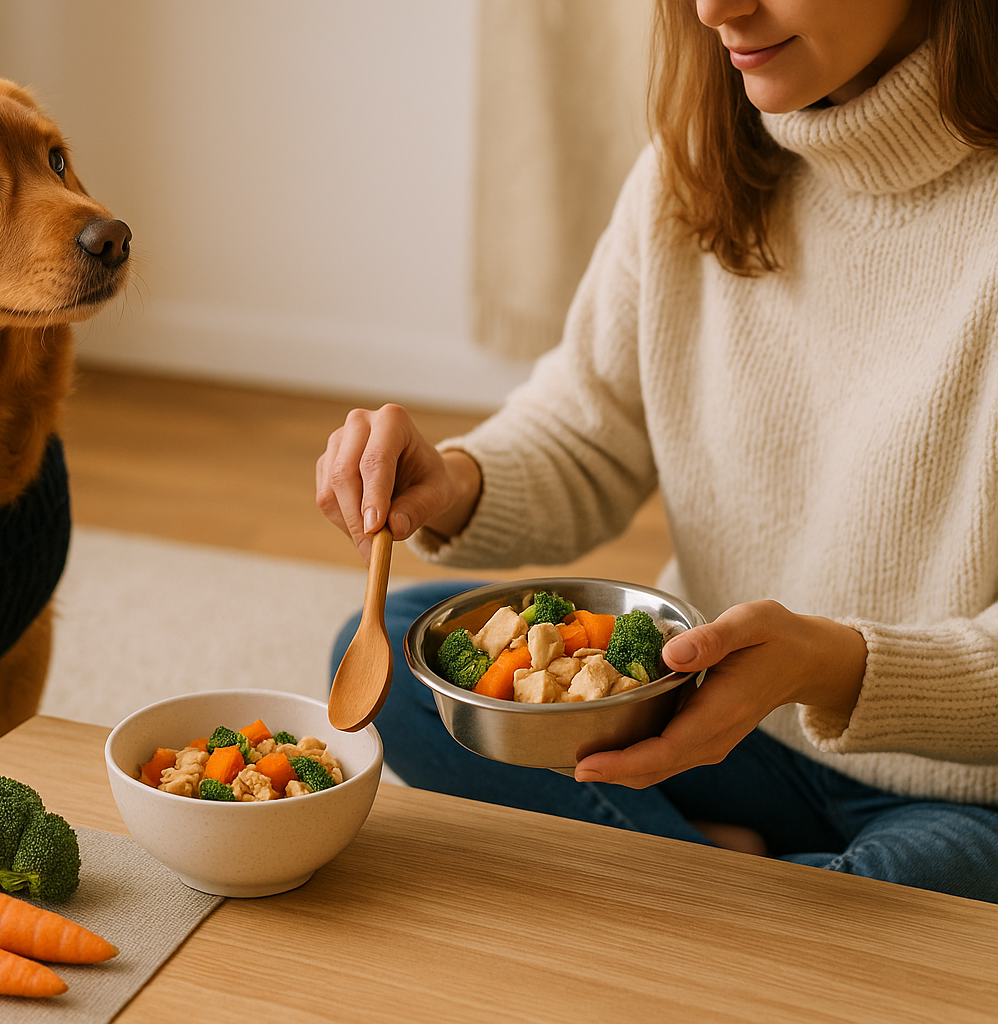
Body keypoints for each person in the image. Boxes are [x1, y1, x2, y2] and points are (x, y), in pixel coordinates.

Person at [316, 0, 998, 902]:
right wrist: (452, 483)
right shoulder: (694, 166)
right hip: (708, 718)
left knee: (911, 883)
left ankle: (705, 887)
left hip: (964, 789)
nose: (717, 10)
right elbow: (582, 428)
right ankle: (747, 894)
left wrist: (836, 663)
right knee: (405, 658)